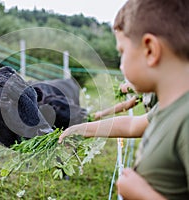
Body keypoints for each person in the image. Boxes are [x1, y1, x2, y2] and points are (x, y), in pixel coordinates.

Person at [59, 0, 189, 199]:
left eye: (122, 52)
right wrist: (81, 129)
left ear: (150, 50)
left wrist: (142, 194)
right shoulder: (168, 108)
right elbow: (131, 125)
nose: (121, 65)